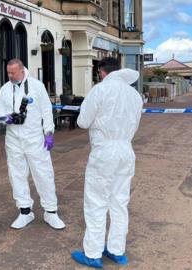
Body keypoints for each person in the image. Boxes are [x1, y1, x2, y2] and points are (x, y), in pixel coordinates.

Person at [71, 57, 143, 268]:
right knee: (119, 201)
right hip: (126, 149)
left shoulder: (100, 90)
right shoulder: (134, 94)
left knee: (96, 201)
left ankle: (93, 253)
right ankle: (116, 250)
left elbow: (83, 121)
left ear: (102, 72)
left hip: (105, 150)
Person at [0, 58, 65, 230]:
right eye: (8, 72)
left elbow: (47, 110)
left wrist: (48, 132)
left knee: (43, 174)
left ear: (21, 70)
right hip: (13, 139)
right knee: (16, 174)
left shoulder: (36, 86)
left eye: (13, 72)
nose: (10, 75)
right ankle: (25, 211)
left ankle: (51, 211)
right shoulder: (5, 89)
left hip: (35, 138)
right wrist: (7, 117)